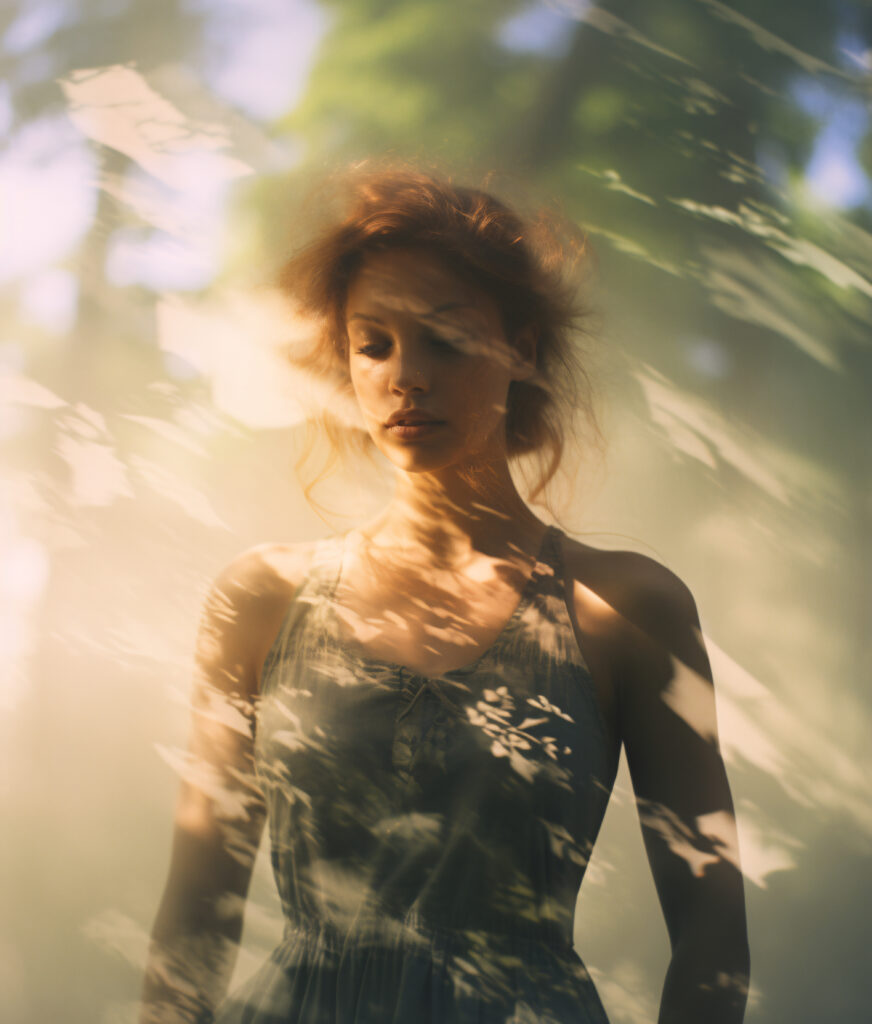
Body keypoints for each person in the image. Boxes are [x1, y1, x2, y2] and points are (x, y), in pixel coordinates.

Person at [140, 167, 750, 1024]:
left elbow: (713, 931)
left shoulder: (626, 612)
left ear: (523, 348)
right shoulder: (261, 599)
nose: (404, 376)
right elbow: (197, 916)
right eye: (374, 343)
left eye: (446, 339)